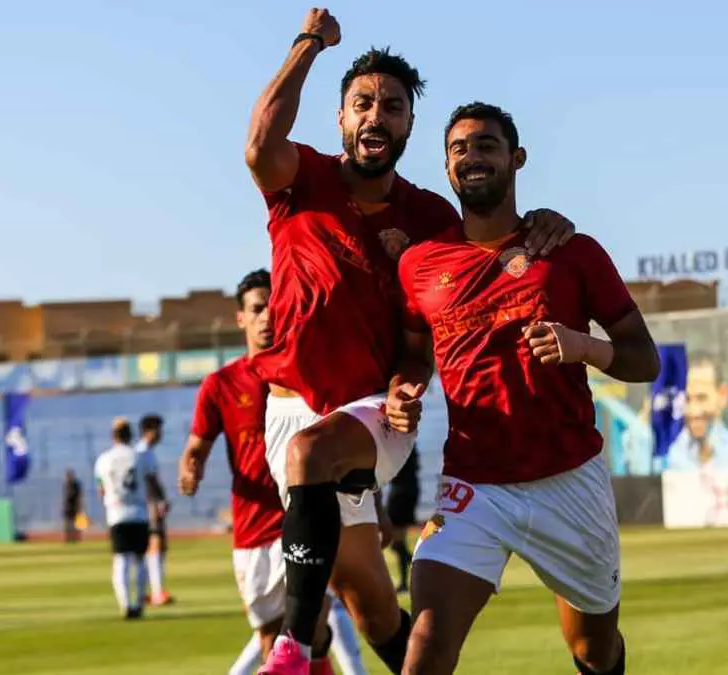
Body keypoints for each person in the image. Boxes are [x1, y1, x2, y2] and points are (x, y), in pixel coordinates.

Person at [244, 10, 574, 674]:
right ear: (340, 119)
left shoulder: (430, 219)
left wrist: (542, 218)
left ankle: (291, 650)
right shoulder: (300, 180)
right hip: (287, 411)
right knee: (369, 602)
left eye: (393, 106)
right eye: (363, 103)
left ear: (408, 126)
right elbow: (258, 144)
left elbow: (451, 309)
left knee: (315, 454)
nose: (378, 115)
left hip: (372, 415)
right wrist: (308, 44)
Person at [391, 102, 662, 675]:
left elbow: (646, 360)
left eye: (487, 145)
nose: (473, 157)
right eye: (460, 149)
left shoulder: (570, 251)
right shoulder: (419, 265)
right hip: (473, 484)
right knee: (426, 646)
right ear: (447, 169)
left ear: (516, 159)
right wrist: (403, 389)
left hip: (568, 481)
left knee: (593, 650)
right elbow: (414, 358)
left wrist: (586, 347)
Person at [178, 269, 369, 675]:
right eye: (257, 308)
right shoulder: (220, 385)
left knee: (313, 632)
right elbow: (196, 446)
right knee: (273, 642)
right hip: (254, 532)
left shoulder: (307, 374)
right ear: (241, 318)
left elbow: (349, 447)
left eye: (272, 307)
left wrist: (376, 509)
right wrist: (190, 467)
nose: (266, 316)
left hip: (306, 518)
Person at [95, 417, 165, 619]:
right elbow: (152, 481)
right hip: (139, 513)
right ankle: (139, 603)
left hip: (116, 513)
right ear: (130, 435)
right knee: (140, 560)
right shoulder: (139, 456)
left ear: (113, 436)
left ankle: (125, 604)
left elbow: (101, 489)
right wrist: (161, 501)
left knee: (120, 561)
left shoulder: (103, 459)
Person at [664, 352, 728, 472]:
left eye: (702, 398)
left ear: (723, 395)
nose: (694, 411)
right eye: (686, 399)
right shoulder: (668, 453)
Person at [136, 413, 174, 605]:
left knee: (156, 545)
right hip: (150, 504)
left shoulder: (145, 452)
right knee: (155, 544)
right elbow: (150, 481)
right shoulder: (142, 452)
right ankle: (157, 591)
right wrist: (160, 501)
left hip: (149, 503)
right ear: (149, 431)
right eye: (158, 430)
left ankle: (153, 590)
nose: (161, 434)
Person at [385, 447, 419, 593]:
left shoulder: (400, 449)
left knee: (397, 544)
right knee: (398, 544)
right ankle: (406, 582)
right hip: (408, 492)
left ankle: (419, 566)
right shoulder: (409, 447)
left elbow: (390, 472)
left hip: (400, 494)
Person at [63, 468, 83, 543]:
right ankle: (68, 538)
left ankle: (76, 538)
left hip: (75, 507)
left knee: (76, 524)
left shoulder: (76, 484)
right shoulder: (66, 484)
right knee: (68, 523)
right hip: (68, 507)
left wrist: (79, 506)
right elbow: (65, 496)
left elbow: (79, 496)